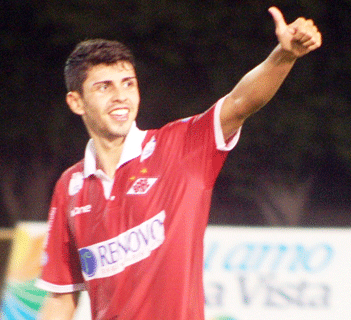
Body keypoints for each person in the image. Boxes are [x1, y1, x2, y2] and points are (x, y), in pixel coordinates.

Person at [36, 6, 321, 320]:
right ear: (76, 102)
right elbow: (60, 299)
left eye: (128, 83)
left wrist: (283, 56)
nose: (120, 96)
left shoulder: (178, 148)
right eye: (104, 87)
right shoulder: (70, 186)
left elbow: (240, 103)